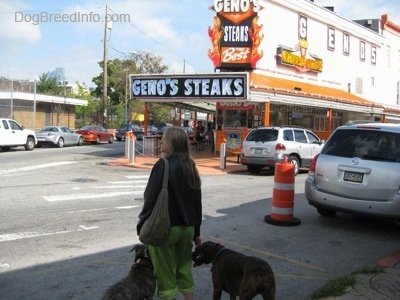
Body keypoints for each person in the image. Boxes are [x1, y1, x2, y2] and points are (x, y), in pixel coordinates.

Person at [137, 127, 203, 300]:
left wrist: (142, 222)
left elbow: (150, 197)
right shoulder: (190, 165)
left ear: (171, 143)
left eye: (164, 139)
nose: (161, 142)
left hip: (165, 228)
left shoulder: (163, 165)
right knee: (184, 269)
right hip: (187, 228)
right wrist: (197, 233)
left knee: (165, 275)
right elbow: (197, 202)